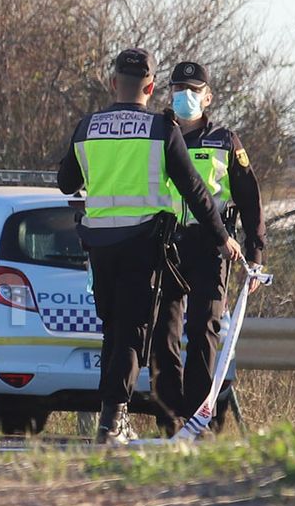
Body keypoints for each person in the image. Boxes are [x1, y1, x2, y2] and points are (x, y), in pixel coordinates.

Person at [56, 48, 243, 445]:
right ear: (151, 86)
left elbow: (66, 182)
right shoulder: (161, 128)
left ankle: (111, 415)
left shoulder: (87, 126)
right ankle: (113, 418)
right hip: (143, 242)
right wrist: (223, 236)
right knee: (131, 328)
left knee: (113, 327)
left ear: (112, 84)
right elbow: (195, 190)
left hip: (99, 243)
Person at [152, 61, 266, 432]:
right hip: (167, 243)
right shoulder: (157, 135)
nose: (186, 96)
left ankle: (199, 421)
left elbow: (250, 199)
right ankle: (170, 418)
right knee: (164, 330)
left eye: (194, 90)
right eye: (179, 88)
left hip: (214, 246)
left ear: (208, 96)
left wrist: (255, 252)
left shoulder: (225, 140)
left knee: (204, 329)